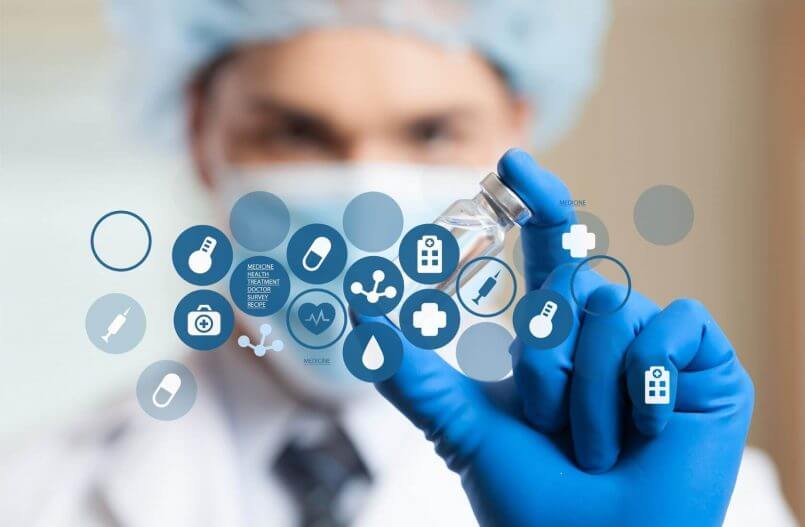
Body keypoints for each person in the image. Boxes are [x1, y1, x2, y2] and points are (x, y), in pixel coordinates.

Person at [0, 1, 797, 526]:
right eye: (298, 133)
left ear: (514, 133)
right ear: (201, 134)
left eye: (430, 134)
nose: (366, 192)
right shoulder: (29, 494)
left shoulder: (703, 495)